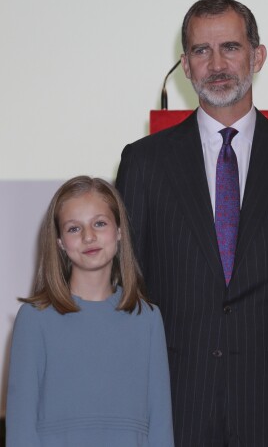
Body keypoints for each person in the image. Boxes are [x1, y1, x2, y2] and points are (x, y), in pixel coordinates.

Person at [116, 0, 268, 447]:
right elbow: (127, 290)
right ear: (185, 65)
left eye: (231, 48)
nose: (216, 63)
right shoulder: (144, 162)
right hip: (174, 404)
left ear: (257, 55)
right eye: (201, 51)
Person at [6, 176, 173, 447]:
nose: (88, 236)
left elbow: (161, 426)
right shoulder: (35, 318)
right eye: (74, 228)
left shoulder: (148, 318)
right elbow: (21, 428)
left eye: (99, 223)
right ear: (59, 241)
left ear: (119, 230)